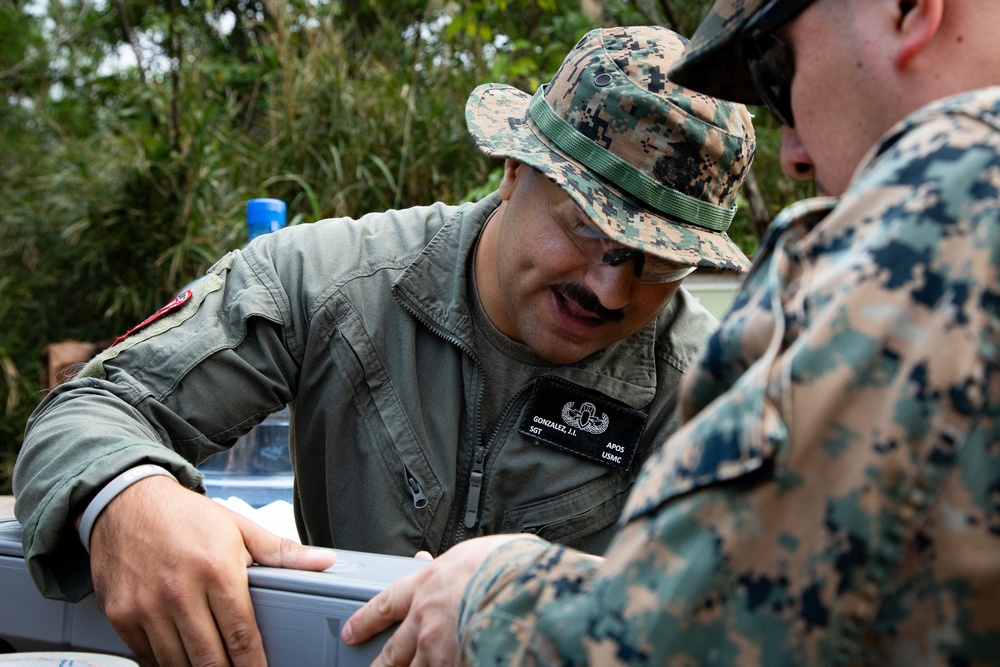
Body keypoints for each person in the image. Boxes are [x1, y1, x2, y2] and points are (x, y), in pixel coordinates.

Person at [12, 25, 755, 666]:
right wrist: (126, 498)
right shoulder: (327, 281)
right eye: (588, 227)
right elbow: (91, 408)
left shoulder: (712, 386)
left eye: (658, 261)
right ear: (514, 171)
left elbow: (759, 613)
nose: (611, 289)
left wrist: (542, 595)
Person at [342, 0, 1000, 664]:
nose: (795, 155)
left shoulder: (944, 216)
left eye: (779, 70)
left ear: (912, 9)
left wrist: (489, 594)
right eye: (587, 226)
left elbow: (705, 637)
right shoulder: (345, 278)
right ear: (514, 171)